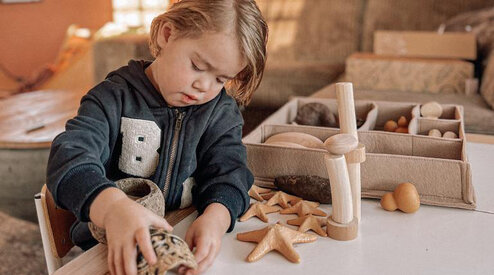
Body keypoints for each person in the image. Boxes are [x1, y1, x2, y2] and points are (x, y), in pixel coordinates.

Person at [46, 0, 268, 274]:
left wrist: (216, 217)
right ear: (167, 34)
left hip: (180, 238)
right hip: (110, 247)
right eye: (198, 66)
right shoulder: (111, 98)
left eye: (221, 79)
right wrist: (114, 208)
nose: (204, 86)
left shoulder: (220, 112)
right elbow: (68, 160)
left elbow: (230, 172)